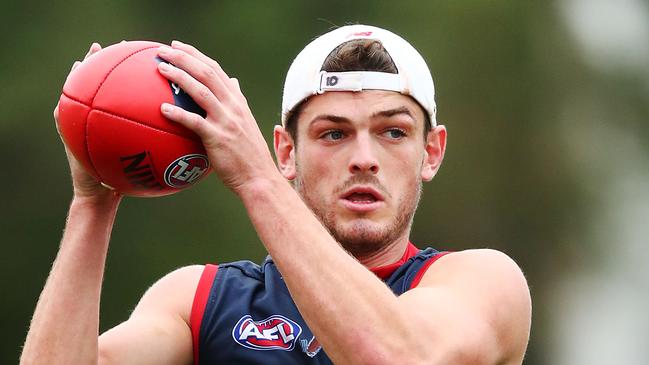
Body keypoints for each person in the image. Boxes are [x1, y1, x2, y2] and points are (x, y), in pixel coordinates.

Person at [20, 24, 531, 365]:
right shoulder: (202, 301)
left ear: (432, 152)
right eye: (333, 133)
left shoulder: (484, 283)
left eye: (393, 132)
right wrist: (94, 201)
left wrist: (257, 179)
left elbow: (395, 355)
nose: (364, 158)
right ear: (286, 151)